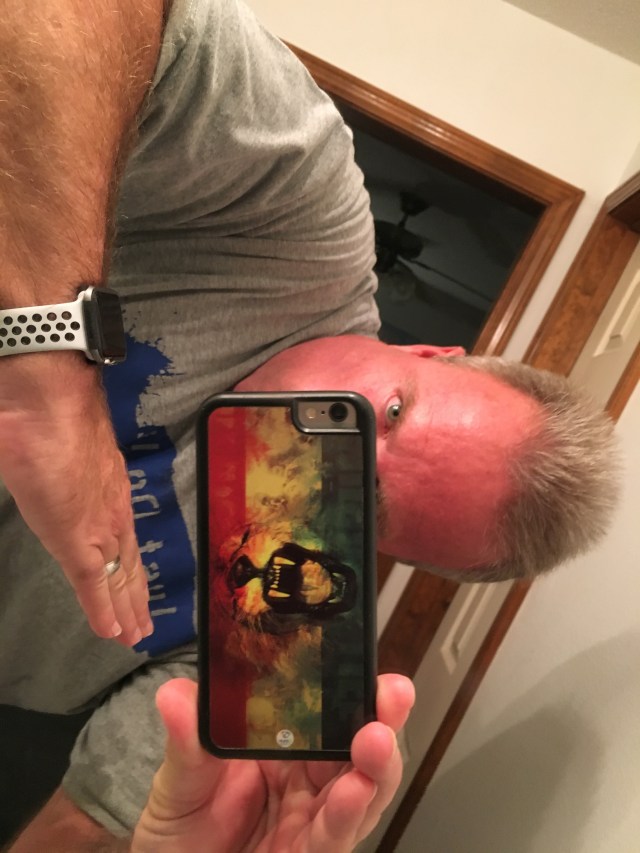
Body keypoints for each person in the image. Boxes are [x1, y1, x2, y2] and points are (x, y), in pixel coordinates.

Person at [0, 0, 618, 849]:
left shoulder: (282, 618)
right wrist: (48, 370)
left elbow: (89, 821)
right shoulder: (303, 215)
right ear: (432, 352)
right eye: (393, 413)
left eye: (376, 504)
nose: (343, 452)